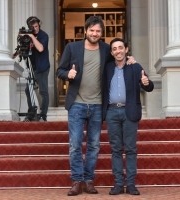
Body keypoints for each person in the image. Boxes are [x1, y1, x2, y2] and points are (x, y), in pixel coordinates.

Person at [57, 16, 136, 196]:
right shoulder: (72, 47)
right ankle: (77, 180)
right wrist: (67, 74)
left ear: (102, 33)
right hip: (77, 103)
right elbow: (59, 70)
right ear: (86, 30)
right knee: (75, 145)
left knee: (93, 145)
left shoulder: (107, 49)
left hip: (98, 105)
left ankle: (89, 180)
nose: (95, 33)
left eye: (98, 31)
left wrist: (131, 59)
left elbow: (119, 56)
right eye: (92, 30)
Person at [102, 38, 154, 195]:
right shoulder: (107, 68)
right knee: (116, 149)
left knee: (130, 149)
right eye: (114, 49)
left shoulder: (135, 66)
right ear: (111, 52)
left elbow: (149, 86)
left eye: (120, 48)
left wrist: (145, 82)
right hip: (111, 112)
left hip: (129, 112)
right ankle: (118, 184)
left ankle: (130, 184)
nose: (118, 51)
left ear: (126, 49)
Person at [14, 16, 50, 121]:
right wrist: (15, 54)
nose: (35, 28)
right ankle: (32, 113)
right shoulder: (28, 36)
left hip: (42, 67)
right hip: (32, 67)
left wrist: (32, 36)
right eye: (33, 27)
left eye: (36, 26)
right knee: (28, 90)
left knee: (43, 91)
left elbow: (40, 48)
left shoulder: (44, 35)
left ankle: (43, 115)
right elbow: (23, 48)